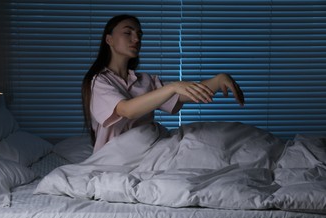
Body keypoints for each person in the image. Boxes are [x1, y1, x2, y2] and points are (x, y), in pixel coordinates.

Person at [82, 14, 245, 153]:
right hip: (119, 157)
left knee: (219, 138)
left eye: (139, 34)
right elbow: (127, 110)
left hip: (150, 149)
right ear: (109, 39)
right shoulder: (99, 81)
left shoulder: (145, 80)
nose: (136, 39)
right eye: (128, 33)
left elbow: (183, 94)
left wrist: (218, 80)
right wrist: (173, 86)